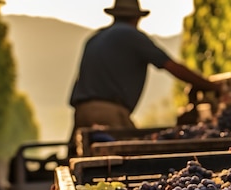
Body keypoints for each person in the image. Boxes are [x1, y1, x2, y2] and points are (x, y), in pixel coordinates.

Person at [68, 0, 222, 156]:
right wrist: (211, 86)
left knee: (85, 163)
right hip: (109, 113)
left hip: (81, 112)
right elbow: (171, 66)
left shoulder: (94, 38)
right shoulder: (132, 36)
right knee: (126, 161)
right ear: (137, 18)